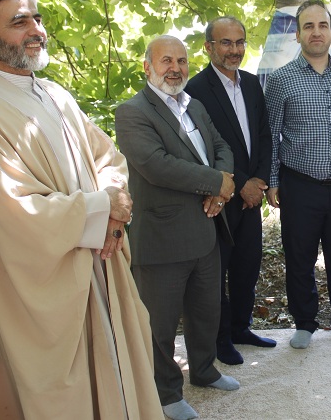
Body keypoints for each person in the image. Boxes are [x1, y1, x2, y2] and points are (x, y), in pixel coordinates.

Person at [0, 0, 163, 419]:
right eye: (19, 22)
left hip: (102, 263)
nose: (36, 31)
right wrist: (103, 209)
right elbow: (17, 213)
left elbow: (105, 155)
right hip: (54, 289)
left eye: (37, 18)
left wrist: (114, 207)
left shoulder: (54, 94)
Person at [115, 35, 240, 420]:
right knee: (160, 325)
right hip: (163, 238)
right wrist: (216, 182)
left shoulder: (194, 105)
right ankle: (166, 393)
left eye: (181, 61)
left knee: (206, 312)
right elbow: (157, 165)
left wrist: (221, 189)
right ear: (147, 67)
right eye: (166, 60)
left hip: (206, 229)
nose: (175, 68)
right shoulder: (132, 112)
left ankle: (203, 371)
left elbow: (222, 147)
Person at [265, 0, 331, 350]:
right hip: (300, 186)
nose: (316, 32)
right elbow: (271, 134)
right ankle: (305, 323)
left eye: (322, 25)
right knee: (299, 258)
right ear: (297, 35)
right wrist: (273, 181)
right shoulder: (281, 80)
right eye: (308, 26)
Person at [185, 16, 275, 366]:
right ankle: (220, 338)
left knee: (247, 266)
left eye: (239, 42)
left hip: (252, 196)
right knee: (216, 271)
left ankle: (240, 328)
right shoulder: (195, 89)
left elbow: (264, 136)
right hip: (220, 197)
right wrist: (243, 184)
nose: (234, 50)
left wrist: (260, 181)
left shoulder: (251, 84)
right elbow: (204, 148)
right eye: (226, 43)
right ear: (209, 47)